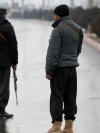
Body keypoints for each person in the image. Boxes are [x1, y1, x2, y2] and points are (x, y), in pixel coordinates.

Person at [45, 4, 83, 133]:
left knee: (57, 96)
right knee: (71, 96)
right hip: (72, 68)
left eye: (54, 14)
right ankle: (69, 126)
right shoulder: (78, 28)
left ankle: (56, 126)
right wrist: (71, 59)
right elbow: (78, 49)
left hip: (59, 69)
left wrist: (49, 71)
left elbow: (52, 53)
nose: (53, 17)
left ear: (58, 15)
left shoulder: (58, 29)